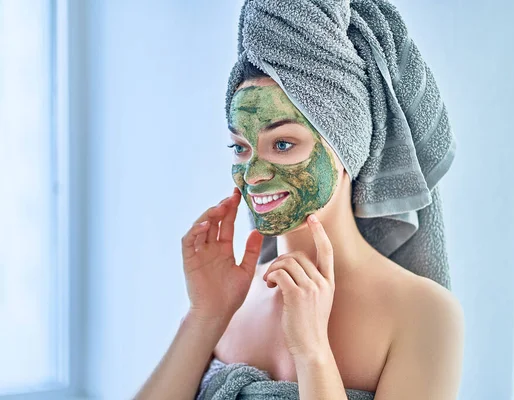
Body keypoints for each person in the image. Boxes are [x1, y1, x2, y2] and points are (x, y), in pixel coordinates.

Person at [133, 59, 465, 399]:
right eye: (241, 148)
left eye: (281, 144)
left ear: (346, 146)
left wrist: (313, 352)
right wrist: (204, 317)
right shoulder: (230, 301)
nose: (252, 174)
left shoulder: (424, 314)